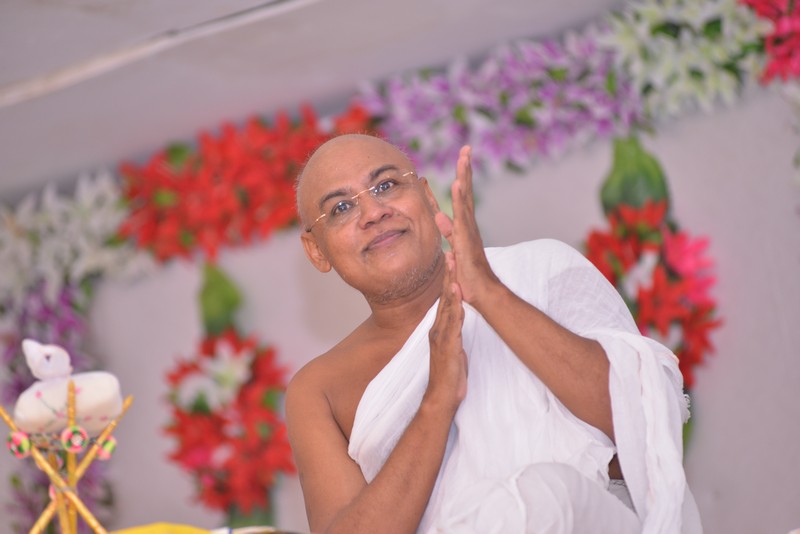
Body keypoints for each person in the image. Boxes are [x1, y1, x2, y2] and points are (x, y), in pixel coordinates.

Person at [286, 133, 701, 534]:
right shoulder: (319, 389)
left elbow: (639, 424)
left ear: (427, 197)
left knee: (544, 496)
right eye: (341, 208)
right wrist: (437, 402)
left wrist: (489, 294)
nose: (374, 212)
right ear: (316, 250)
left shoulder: (538, 270)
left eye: (386, 185)